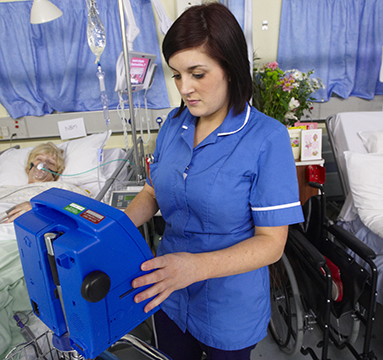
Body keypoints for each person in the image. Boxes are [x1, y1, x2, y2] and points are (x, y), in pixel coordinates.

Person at [124, 3, 304, 360]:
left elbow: (271, 244)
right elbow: (152, 191)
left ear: (231, 69)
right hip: (168, 291)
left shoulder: (267, 138)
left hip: (229, 307)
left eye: (197, 73)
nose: (185, 88)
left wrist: (194, 267)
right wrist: (110, 228)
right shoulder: (174, 126)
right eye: (177, 75)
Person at [3, 142, 65, 222]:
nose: (43, 164)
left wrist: (38, 208)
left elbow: (81, 210)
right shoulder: (1, 190)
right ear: (29, 166)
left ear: (56, 174)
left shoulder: (62, 188)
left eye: (52, 163)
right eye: (39, 159)